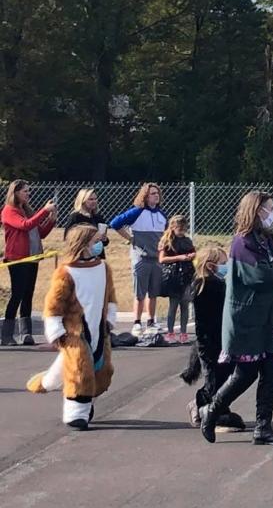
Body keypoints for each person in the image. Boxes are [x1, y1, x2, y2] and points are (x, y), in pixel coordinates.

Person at [199, 191, 273, 446]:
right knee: (246, 372)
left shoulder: (267, 240)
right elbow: (261, 276)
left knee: (272, 370)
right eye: (269, 209)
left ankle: (263, 426)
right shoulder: (242, 243)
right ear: (257, 210)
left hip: (272, 317)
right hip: (248, 319)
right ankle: (212, 410)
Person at [25, 224, 117, 430]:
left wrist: (110, 317)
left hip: (99, 328)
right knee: (80, 371)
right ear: (83, 244)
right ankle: (76, 413)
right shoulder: (66, 272)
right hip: (75, 331)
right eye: (95, 242)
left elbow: (110, 296)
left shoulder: (104, 268)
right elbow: (53, 305)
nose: (99, 245)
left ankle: (47, 383)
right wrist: (57, 331)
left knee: (102, 370)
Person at [180, 245, 245, 432]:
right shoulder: (206, 285)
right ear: (210, 266)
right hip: (210, 343)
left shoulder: (218, 284)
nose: (226, 267)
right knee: (214, 380)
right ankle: (200, 405)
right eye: (223, 264)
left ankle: (216, 408)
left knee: (225, 377)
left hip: (223, 340)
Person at [2, 180, 57, 346]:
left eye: (28, 191)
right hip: (18, 258)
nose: (28, 194)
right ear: (15, 193)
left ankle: (26, 334)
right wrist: (44, 211)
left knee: (28, 294)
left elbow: (39, 232)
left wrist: (51, 219)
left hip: (32, 258)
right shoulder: (9, 211)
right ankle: (6, 335)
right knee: (17, 294)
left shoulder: (26, 211)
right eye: (25, 191)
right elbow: (25, 226)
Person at [109, 183, 167, 337]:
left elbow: (166, 234)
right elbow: (115, 223)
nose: (156, 196)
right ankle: (136, 322)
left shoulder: (162, 215)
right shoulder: (137, 212)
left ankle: (151, 321)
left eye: (157, 193)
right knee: (139, 293)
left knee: (153, 293)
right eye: (152, 193)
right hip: (141, 258)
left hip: (156, 259)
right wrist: (130, 238)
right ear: (145, 196)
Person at [158, 215, 196, 344]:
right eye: (179, 228)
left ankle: (184, 333)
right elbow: (162, 259)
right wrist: (179, 257)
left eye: (184, 228)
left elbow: (193, 253)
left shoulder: (187, 240)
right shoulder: (168, 241)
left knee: (185, 303)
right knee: (173, 305)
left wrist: (191, 256)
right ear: (173, 228)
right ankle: (170, 332)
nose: (182, 231)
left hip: (186, 274)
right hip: (173, 275)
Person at [63, 188, 110, 259]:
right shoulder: (76, 217)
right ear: (82, 201)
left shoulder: (98, 217)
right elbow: (67, 237)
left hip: (98, 257)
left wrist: (104, 239)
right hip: (81, 256)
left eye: (95, 199)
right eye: (90, 199)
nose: (94, 201)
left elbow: (104, 243)